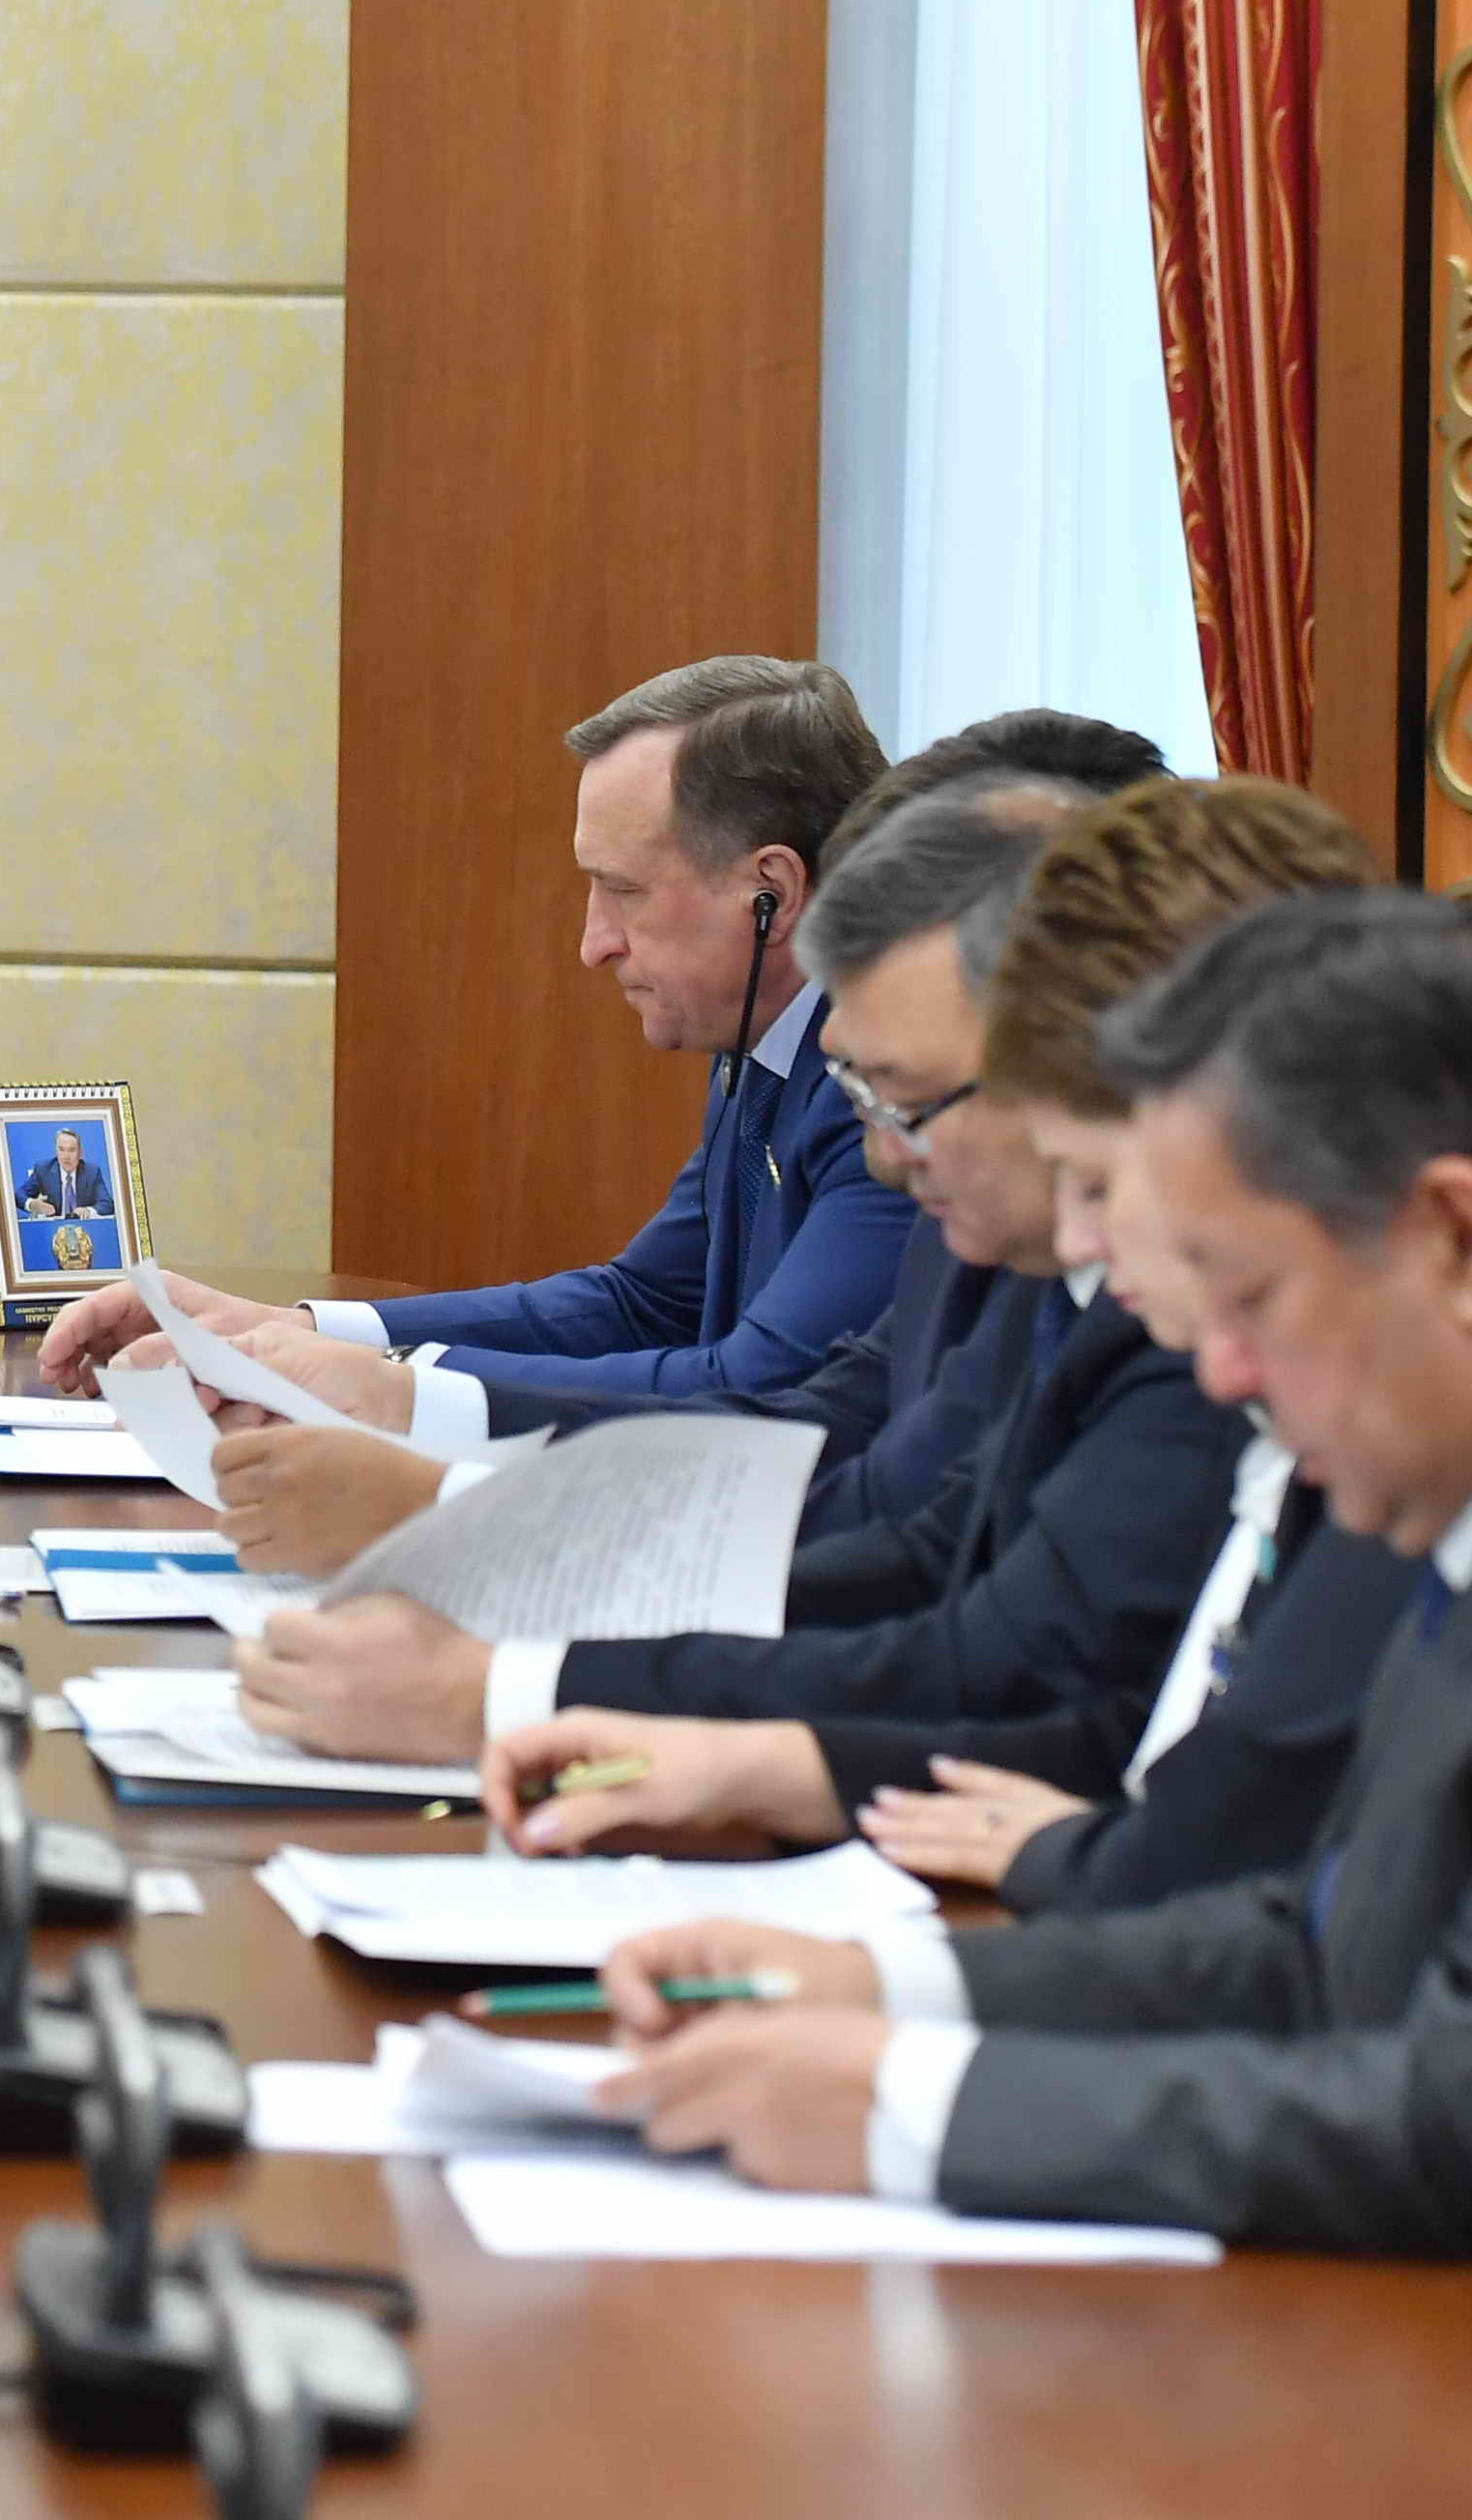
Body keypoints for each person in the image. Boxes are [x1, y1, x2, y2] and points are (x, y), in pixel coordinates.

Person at [585, 892, 1472, 2519]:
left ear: (1461, 1238)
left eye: (1250, 1295)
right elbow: (1325, 1940)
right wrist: (885, 1985)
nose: (1221, 1376)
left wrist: (905, 2103)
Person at [481, 779, 1402, 1903]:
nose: (1086, 1241)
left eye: (1098, 1182)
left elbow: (1086, 1725)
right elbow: (1143, 1767)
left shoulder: (1250, 1367)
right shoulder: (1120, 1286)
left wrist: (522, 1676)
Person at [236, 777, 1234, 1771]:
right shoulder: (1012, 1245)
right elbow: (895, 1530)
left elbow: (997, 1656)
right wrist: (437, 1477)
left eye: (905, 1098)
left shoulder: (1174, 1314)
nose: (886, 1155)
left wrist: (495, 1668)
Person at [188, 724, 1142, 1580]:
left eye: (623, 890)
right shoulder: (769, 1067)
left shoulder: (951, 1159)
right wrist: (356, 1355)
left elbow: (780, 1407)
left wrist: (423, 1438)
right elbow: (660, 1311)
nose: (592, 944)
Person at [42, 654, 905, 1418]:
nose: (594, 944)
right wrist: (290, 1329)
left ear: (771, 893)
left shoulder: (887, 1087)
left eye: (624, 890)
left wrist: (388, 1384)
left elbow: (762, 1389)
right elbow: (644, 1304)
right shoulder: (760, 1051)